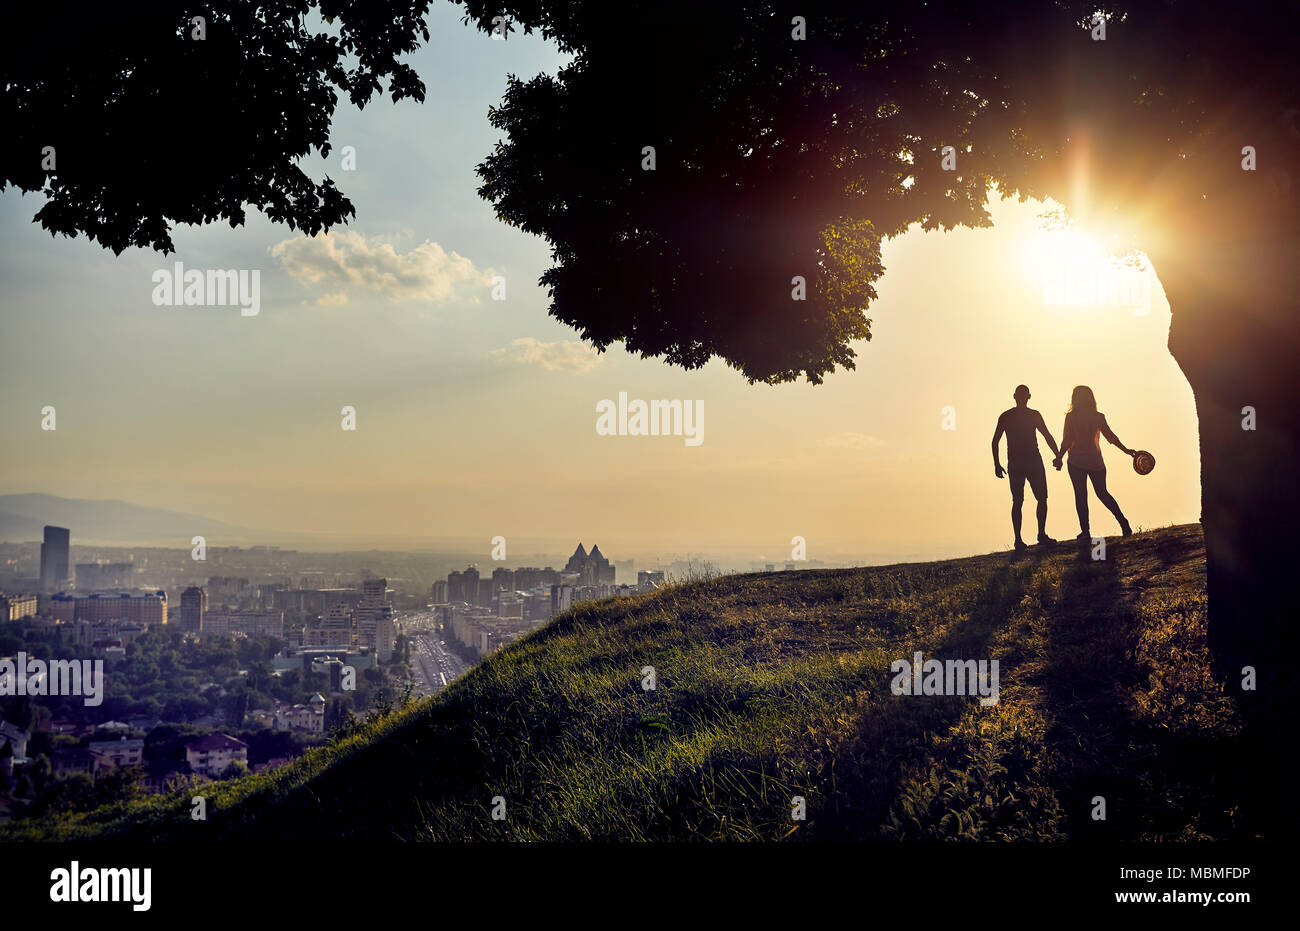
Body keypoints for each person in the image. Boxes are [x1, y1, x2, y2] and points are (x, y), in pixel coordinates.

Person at [1052, 385, 1135, 541]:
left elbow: (1067, 440)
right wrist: (1126, 450)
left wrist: (1059, 457)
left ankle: (1085, 531)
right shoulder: (1098, 416)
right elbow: (1111, 437)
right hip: (1095, 460)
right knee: (1102, 493)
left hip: (1076, 461)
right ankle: (1123, 523)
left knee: (1081, 495)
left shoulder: (1071, 417)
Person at [992, 384, 1061, 550]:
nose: (1022, 398)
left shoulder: (1011, 416)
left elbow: (995, 441)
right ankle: (1033, 536)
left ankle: (1025, 538)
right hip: (1027, 461)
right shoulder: (1024, 415)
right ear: (1021, 397)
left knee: (1026, 500)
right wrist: (1057, 455)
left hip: (1022, 461)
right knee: (1035, 499)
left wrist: (1058, 455)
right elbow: (1047, 435)